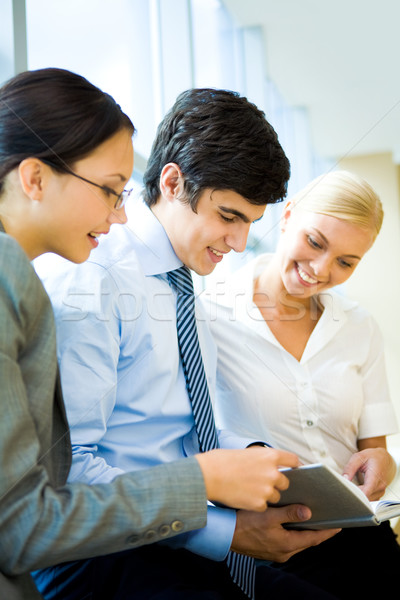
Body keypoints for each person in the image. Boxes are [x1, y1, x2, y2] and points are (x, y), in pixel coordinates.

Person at [0, 69, 301, 600]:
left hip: (161, 530)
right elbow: (61, 482)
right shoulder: (83, 276)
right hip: (106, 552)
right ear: (171, 182)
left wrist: (257, 460)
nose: (240, 241)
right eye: (229, 216)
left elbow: (182, 432)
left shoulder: (180, 285)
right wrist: (218, 517)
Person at [204, 170, 400, 599]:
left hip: (360, 537)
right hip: (269, 542)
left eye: (346, 262)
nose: (321, 269)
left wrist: (382, 465)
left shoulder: (359, 327)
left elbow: (376, 451)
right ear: (288, 216)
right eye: (315, 242)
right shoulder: (210, 312)